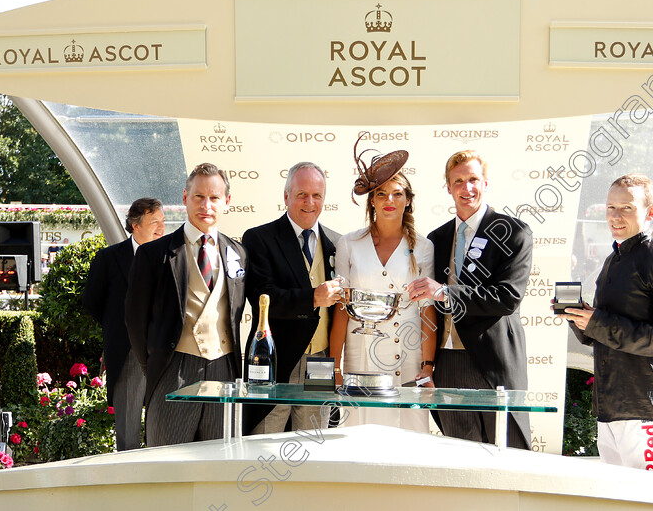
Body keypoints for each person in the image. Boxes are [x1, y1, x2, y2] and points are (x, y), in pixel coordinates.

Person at [559, 173, 653, 472]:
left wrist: (600, 322)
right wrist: (579, 317)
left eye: (627, 207)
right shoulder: (613, 260)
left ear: (650, 211)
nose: (616, 216)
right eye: (610, 207)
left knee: (648, 502)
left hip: (644, 407)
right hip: (610, 408)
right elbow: (603, 332)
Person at [407, 150, 532, 448]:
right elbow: (428, 310)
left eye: (473, 179)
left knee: (508, 454)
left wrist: (446, 292)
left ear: (485, 182)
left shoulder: (513, 232)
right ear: (448, 187)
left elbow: (508, 297)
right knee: (460, 457)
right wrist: (428, 365)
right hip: (448, 363)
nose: (467, 188)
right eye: (458, 181)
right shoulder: (435, 239)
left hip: (494, 362)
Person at [125, 163, 247, 446]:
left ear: (226, 202)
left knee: (221, 464)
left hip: (224, 370)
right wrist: (156, 364)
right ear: (184, 197)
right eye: (198, 197)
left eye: (214, 198)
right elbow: (135, 320)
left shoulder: (238, 252)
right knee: (167, 465)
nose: (207, 205)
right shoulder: (152, 254)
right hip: (174, 369)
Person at [330, 143, 437, 433]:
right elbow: (341, 307)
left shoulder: (424, 247)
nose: (389, 200)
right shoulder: (349, 243)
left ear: (408, 201)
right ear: (372, 202)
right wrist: (335, 367)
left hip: (409, 361)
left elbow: (427, 313)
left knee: (410, 449)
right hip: (360, 358)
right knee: (357, 443)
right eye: (381, 193)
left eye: (397, 194)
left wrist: (427, 367)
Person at [242, 162, 342, 434]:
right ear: (286, 196)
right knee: (264, 441)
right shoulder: (259, 238)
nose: (310, 202)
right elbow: (262, 296)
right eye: (301, 194)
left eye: (317, 195)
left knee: (312, 443)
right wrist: (312, 298)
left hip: (321, 361)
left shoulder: (337, 243)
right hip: (276, 359)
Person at [83, 197, 165, 450]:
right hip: (128, 353)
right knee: (127, 434)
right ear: (135, 225)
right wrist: (118, 329)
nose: (161, 229)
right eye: (155, 223)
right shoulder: (109, 258)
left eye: (163, 222)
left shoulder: (172, 256)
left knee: (163, 427)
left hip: (165, 353)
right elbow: (92, 302)